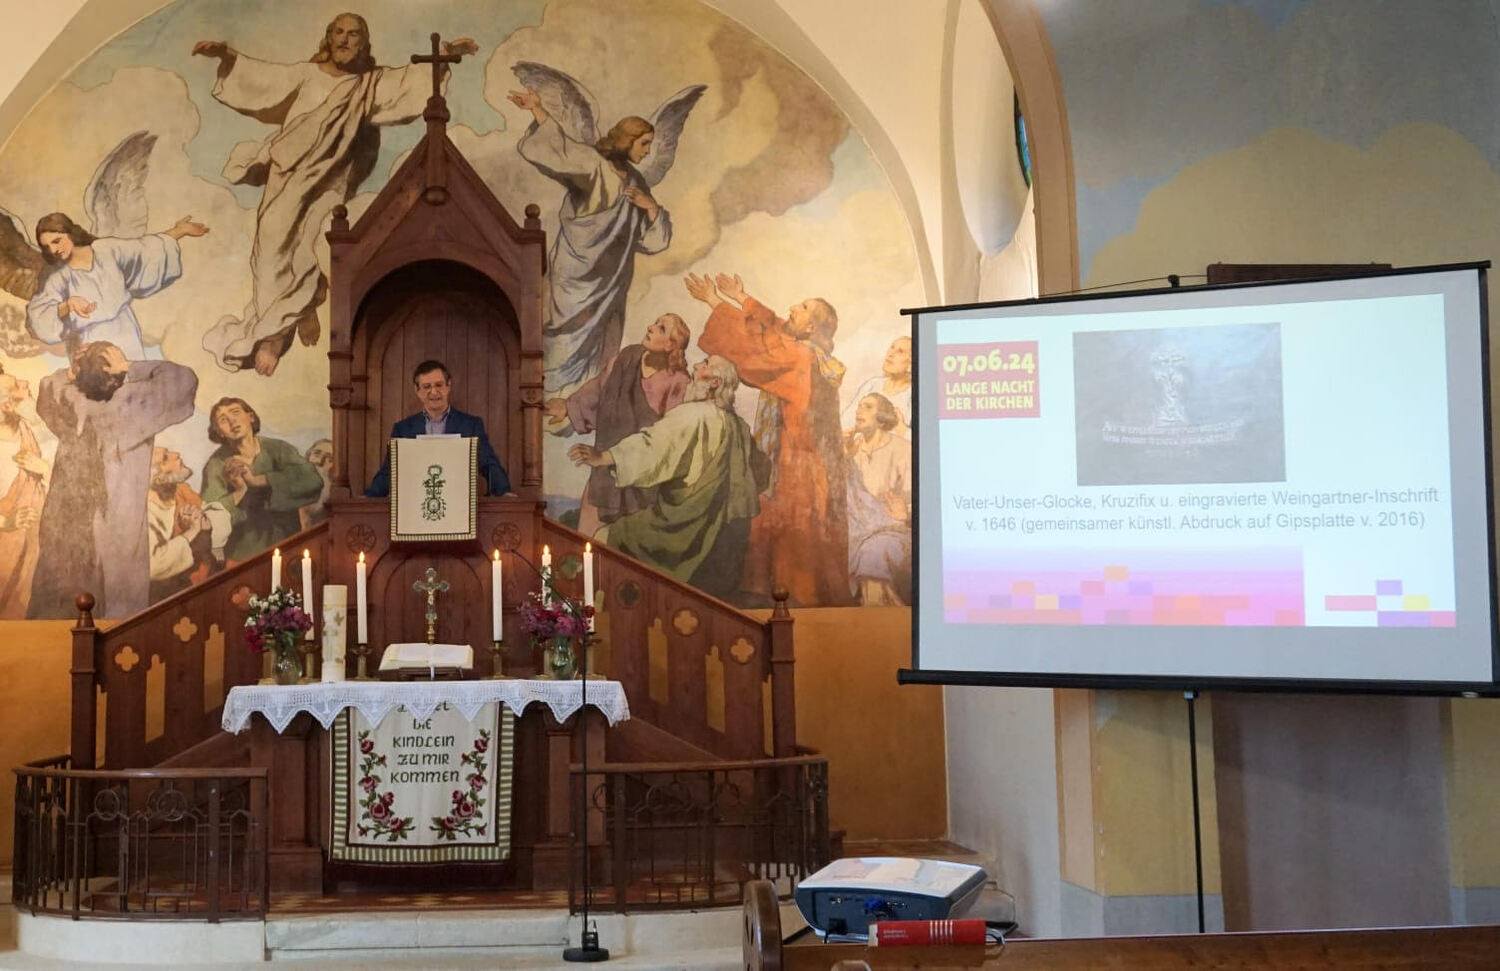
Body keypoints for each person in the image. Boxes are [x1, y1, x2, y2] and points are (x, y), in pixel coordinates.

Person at [195, 14, 477, 375]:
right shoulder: (305, 74)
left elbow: (407, 83)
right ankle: (298, 304)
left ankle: (274, 336)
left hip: (331, 179)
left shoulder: (368, 85)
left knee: (313, 239)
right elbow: (263, 80)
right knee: (271, 244)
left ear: (364, 43)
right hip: (288, 174)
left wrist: (447, 55)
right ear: (328, 38)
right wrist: (227, 56)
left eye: (353, 34)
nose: (344, 40)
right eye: (339, 33)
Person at [690, 271, 850, 607]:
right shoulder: (806, 350)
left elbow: (757, 350)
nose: (792, 308)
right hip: (792, 455)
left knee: (792, 531)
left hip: (794, 459)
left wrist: (715, 301)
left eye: (802, 308)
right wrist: (742, 298)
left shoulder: (802, 356)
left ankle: (795, 601)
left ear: (811, 327)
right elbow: (776, 329)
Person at [508, 85, 674, 390]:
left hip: (611, 283)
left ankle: (583, 403)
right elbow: (558, 151)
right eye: (644, 143)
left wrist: (651, 208)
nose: (647, 151)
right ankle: (547, 396)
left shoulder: (636, 183)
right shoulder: (592, 163)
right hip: (576, 275)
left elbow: (653, 242)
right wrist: (537, 109)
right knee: (564, 338)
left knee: (602, 346)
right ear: (626, 140)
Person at [569, 356, 768, 601]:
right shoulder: (739, 427)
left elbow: (652, 447)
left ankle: (601, 611)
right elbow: (761, 474)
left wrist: (604, 457)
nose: (696, 366)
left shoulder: (693, 415)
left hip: (685, 528)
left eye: (704, 365)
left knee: (609, 537)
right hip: (724, 538)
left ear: (715, 382)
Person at [27, 342, 197, 618]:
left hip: (69, 529)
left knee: (62, 608)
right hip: (118, 529)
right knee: (117, 609)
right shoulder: (133, 404)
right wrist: (127, 366)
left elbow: (49, 386)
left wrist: (73, 372)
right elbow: (183, 380)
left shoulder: (69, 401)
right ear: (113, 372)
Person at [544, 313, 691, 534]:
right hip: (604, 471)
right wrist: (569, 406)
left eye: (661, 328)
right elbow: (599, 389)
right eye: (655, 322)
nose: (650, 327)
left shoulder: (678, 381)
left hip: (642, 479)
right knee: (587, 537)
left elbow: (669, 437)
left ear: (671, 345)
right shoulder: (627, 357)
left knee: (628, 541)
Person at [27, 211, 209, 360]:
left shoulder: (106, 250)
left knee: (133, 382)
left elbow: (144, 250)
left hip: (124, 331)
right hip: (87, 342)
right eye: (47, 247)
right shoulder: (56, 275)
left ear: (70, 233)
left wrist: (179, 231)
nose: (53, 250)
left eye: (56, 241)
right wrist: (67, 305)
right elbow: (38, 315)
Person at [200, 398, 324, 563]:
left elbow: (312, 481)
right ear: (219, 431)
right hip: (241, 554)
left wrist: (258, 481)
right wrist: (240, 491)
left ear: (250, 417)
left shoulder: (278, 449)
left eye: (236, 412)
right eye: (223, 420)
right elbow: (211, 515)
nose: (232, 421)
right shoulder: (216, 464)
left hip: (286, 545)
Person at [365, 360, 511, 498]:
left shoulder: (471, 425)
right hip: (417, 505)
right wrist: (370, 496)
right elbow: (390, 471)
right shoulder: (403, 430)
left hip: (458, 504)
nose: (434, 392)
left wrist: (503, 492)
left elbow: (488, 464)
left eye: (439, 385)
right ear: (417, 390)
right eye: (427, 387)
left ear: (448, 386)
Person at [845, 393, 911, 606]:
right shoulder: (851, 450)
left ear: (882, 418)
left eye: (868, 407)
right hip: (856, 529)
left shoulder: (902, 449)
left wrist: (906, 513)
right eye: (859, 406)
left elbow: (916, 499)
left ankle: (878, 616)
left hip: (893, 530)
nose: (859, 410)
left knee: (873, 552)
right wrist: (842, 456)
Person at [0, 364, 48, 617]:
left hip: (34, 552)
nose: (26, 384)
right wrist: (6, 521)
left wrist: (45, 469)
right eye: (17, 387)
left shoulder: (29, 432)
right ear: (7, 406)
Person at [146, 446, 222, 602]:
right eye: (165, 458)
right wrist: (192, 531)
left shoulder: (181, 490)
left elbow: (218, 521)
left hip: (204, 578)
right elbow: (154, 566)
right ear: (159, 479)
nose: (176, 454)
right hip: (169, 596)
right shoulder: (147, 512)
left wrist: (205, 526)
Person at [841, 335, 912, 432]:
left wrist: (902, 430)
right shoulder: (873, 384)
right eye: (892, 347)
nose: (891, 354)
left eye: (900, 351)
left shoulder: (913, 394)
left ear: (911, 363)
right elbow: (846, 420)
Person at [300, 438, 334, 528]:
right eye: (316, 454)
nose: (319, 461)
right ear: (308, 456)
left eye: (329, 458)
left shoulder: (331, 492)